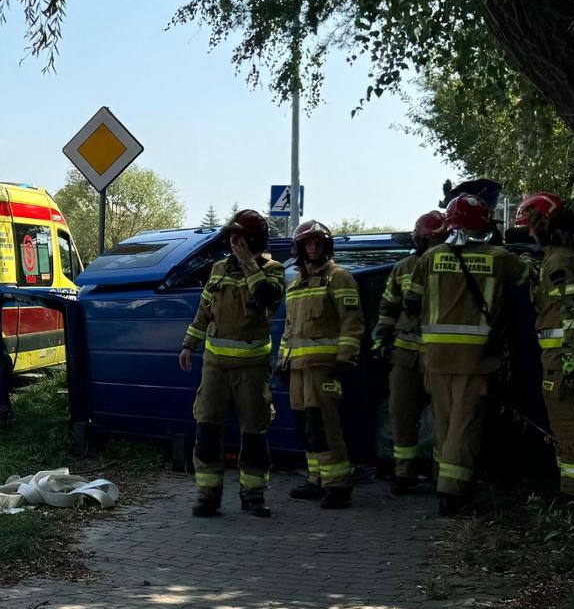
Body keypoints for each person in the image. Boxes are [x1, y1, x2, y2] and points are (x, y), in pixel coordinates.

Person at [407, 193, 530, 517]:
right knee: (466, 427)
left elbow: (410, 302)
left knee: (445, 425)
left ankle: (440, 480)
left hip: (434, 358)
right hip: (474, 360)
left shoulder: (430, 258)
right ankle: (453, 493)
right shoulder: (499, 257)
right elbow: (528, 278)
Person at [177, 210, 285, 518]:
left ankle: (252, 495)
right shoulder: (219, 268)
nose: (233, 242)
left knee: (254, 433)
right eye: (231, 236)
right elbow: (204, 309)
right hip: (215, 367)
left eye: (240, 237)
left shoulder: (272, 270)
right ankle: (208, 495)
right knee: (208, 429)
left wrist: (250, 264)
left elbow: (268, 298)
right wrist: (189, 344)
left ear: (253, 240)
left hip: (252, 369)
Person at [517, 192, 574, 502]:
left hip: (561, 359)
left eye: (531, 228)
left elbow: (571, 314)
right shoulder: (566, 255)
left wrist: (570, 361)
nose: (530, 234)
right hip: (564, 357)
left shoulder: (559, 261)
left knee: (568, 426)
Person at [281, 220, 365, 509]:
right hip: (297, 369)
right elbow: (289, 329)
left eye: (318, 242)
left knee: (324, 425)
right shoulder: (294, 285)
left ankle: (338, 485)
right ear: (300, 248)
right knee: (305, 427)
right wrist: (283, 362)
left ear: (326, 246)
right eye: (308, 243)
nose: (314, 247)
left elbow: (352, 322)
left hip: (325, 368)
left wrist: (345, 360)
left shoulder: (338, 278)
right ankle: (316, 479)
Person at [374, 210, 448, 495]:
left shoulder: (450, 266)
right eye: (427, 239)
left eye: (435, 240)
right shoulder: (403, 268)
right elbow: (388, 307)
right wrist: (382, 338)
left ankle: (441, 474)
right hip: (405, 353)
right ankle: (403, 472)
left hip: (439, 355)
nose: (429, 244)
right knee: (400, 413)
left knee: (444, 416)